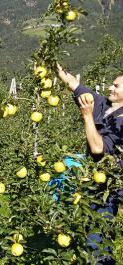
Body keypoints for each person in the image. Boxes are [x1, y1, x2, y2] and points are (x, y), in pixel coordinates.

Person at [57, 64, 123, 264]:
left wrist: (87, 116)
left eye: (116, 86)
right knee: (89, 236)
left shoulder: (121, 123)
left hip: (106, 189)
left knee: (98, 243)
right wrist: (55, 66)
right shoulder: (103, 104)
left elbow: (97, 148)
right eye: (112, 84)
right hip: (89, 183)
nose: (110, 88)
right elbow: (75, 85)